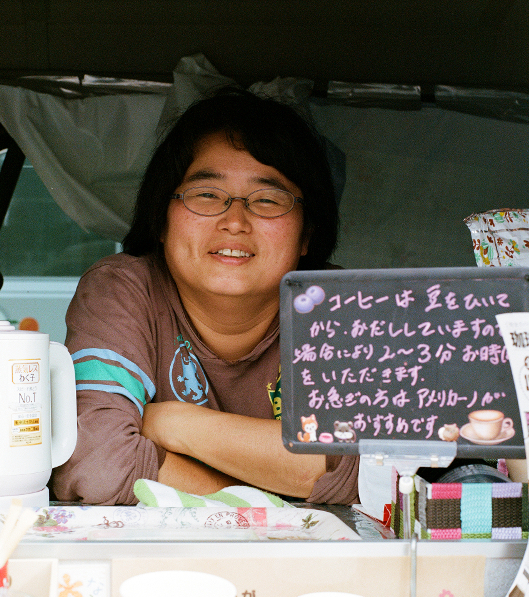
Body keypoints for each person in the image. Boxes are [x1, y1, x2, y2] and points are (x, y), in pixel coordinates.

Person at [51, 88, 359, 505]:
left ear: (307, 233)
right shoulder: (123, 290)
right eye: (206, 195)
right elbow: (97, 462)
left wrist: (173, 423)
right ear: (161, 218)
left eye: (267, 199)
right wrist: (272, 502)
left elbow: (364, 468)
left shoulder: (338, 305)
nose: (234, 221)